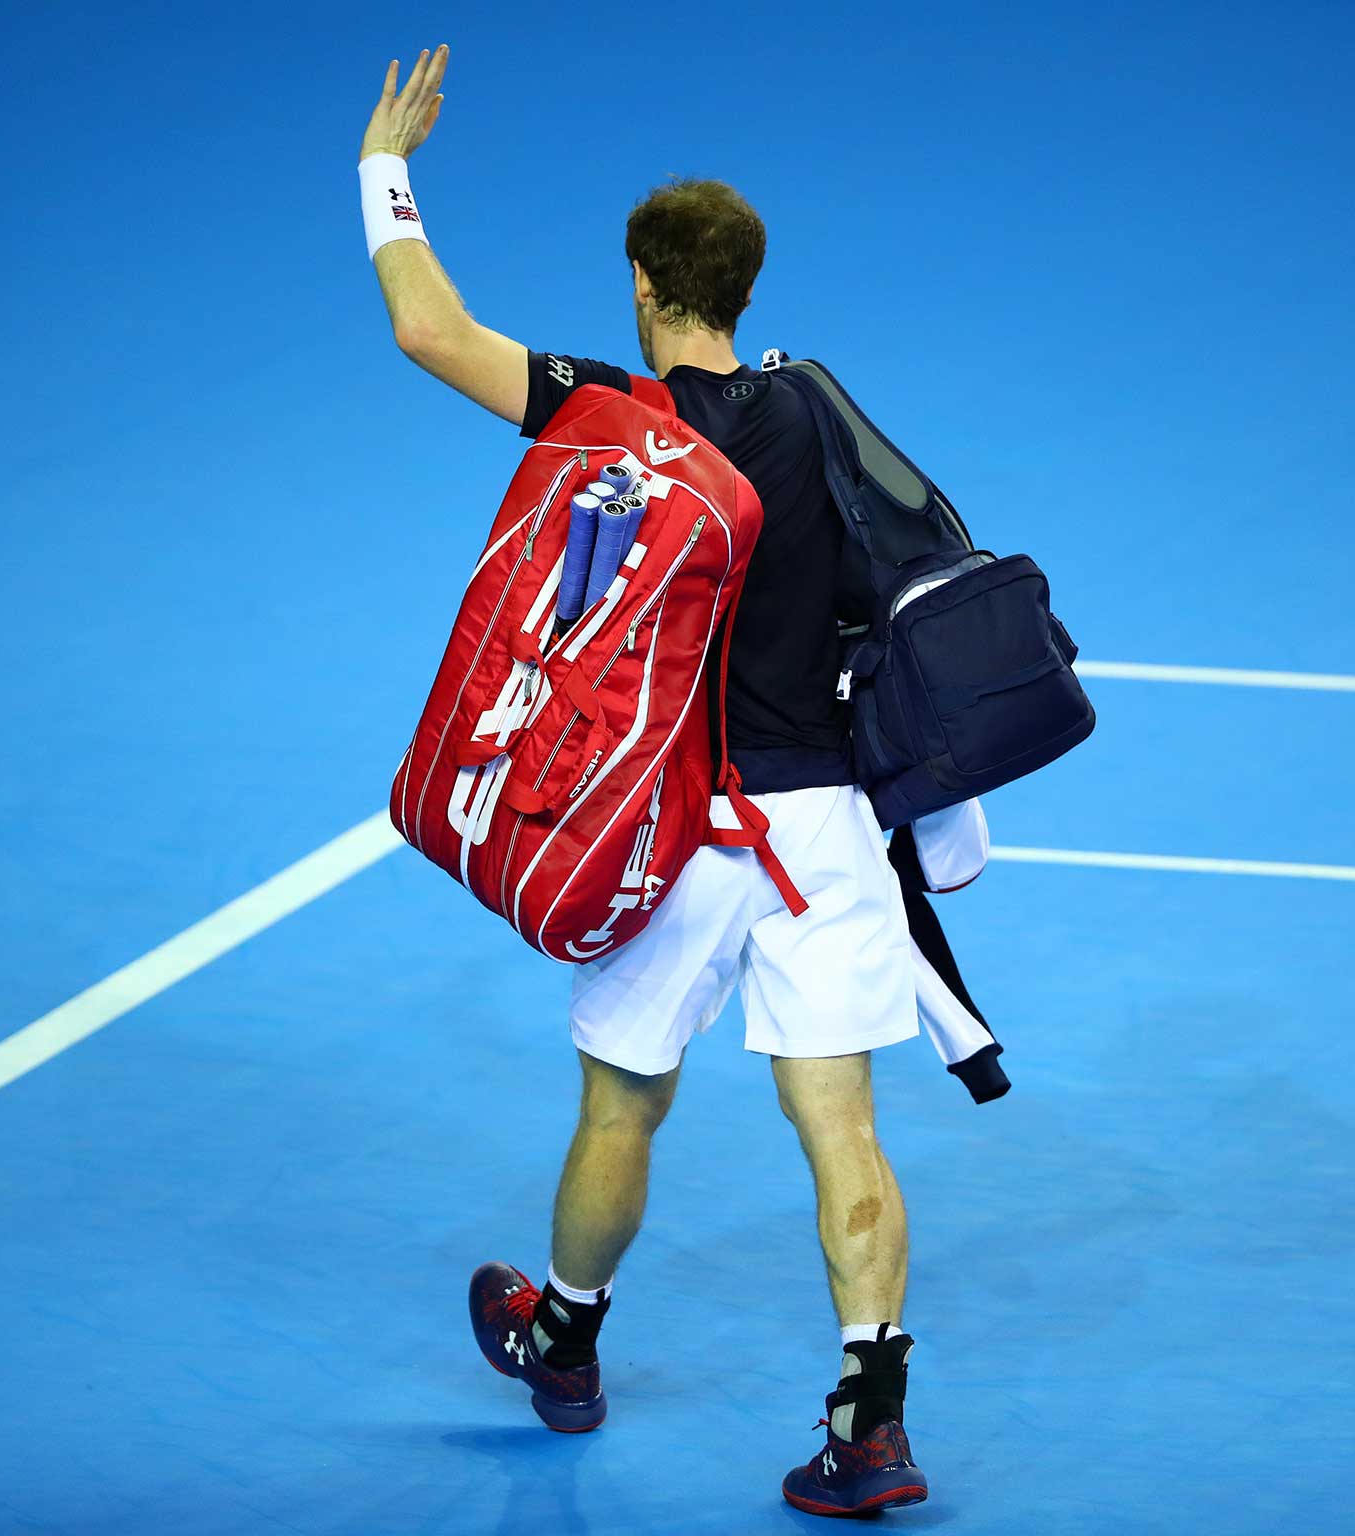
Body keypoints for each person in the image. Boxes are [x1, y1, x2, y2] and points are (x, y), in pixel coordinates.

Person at [358, 45, 928, 1517]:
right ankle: (871, 1427)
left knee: (621, 1111)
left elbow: (428, 330)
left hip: (674, 835)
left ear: (644, 286)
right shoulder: (813, 416)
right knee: (842, 1128)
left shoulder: (611, 413)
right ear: (741, 288)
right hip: (822, 828)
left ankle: (564, 1341)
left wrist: (385, 167)